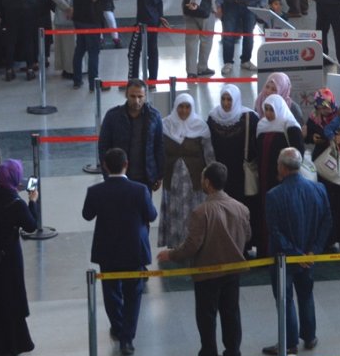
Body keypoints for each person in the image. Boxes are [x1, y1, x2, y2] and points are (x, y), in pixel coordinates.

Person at [158, 162, 252, 356]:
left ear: (207, 183)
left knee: (207, 317)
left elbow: (192, 246)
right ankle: (232, 354)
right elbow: (247, 236)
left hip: (207, 274)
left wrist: (170, 255)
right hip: (232, 272)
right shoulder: (241, 208)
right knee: (231, 313)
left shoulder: (201, 212)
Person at [83, 148, 158, 355]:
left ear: (105, 166)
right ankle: (127, 338)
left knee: (111, 291)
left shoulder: (95, 191)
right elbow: (151, 215)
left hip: (107, 250)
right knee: (133, 294)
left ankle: (117, 326)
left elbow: (87, 215)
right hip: (134, 249)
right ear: (127, 164)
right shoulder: (140, 189)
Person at [263, 147, 332, 356]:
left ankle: (290, 342)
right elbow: (326, 222)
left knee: (285, 300)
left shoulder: (274, 195)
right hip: (309, 257)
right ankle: (310, 337)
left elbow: (275, 232)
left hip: (284, 259)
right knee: (306, 294)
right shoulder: (319, 189)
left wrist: (295, 254)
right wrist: (313, 251)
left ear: (282, 168)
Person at [0, 160, 38, 356]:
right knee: (12, 298)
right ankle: (16, 343)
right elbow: (31, 225)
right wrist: (32, 201)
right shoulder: (16, 203)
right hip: (9, 257)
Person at [207, 85, 259, 252]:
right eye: (223, 99)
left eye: (230, 99)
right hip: (221, 174)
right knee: (221, 210)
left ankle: (243, 244)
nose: (226, 103)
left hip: (241, 173)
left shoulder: (249, 117)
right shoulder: (213, 117)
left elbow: (255, 145)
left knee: (241, 209)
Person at [254, 94, 306, 255]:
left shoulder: (290, 126)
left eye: (272, 110)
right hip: (264, 178)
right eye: (266, 109)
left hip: (283, 179)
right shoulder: (262, 125)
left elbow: (299, 153)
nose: (269, 113)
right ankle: (265, 249)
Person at [161, 93, 213, 249]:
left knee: (194, 214)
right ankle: (177, 245)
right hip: (173, 183)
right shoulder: (165, 125)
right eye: (181, 107)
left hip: (195, 183)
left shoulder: (200, 126)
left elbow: (209, 155)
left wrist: (211, 179)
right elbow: (159, 152)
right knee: (176, 213)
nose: (184, 111)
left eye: (187, 107)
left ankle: (195, 245)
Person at [308, 89, 340, 253]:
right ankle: (327, 238)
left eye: (327, 107)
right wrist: (314, 138)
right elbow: (309, 135)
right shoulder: (314, 118)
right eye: (321, 108)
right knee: (326, 203)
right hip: (324, 167)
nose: (324, 111)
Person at [98, 79, 166, 195]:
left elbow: (159, 146)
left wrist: (159, 175)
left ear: (145, 96)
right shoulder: (112, 116)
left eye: (140, 96)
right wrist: (107, 174)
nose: (136, 101)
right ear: (126, 95)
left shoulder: (154, 116)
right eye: (132, 96)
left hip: (146, 178)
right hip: (119, 176)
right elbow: (103, 147)